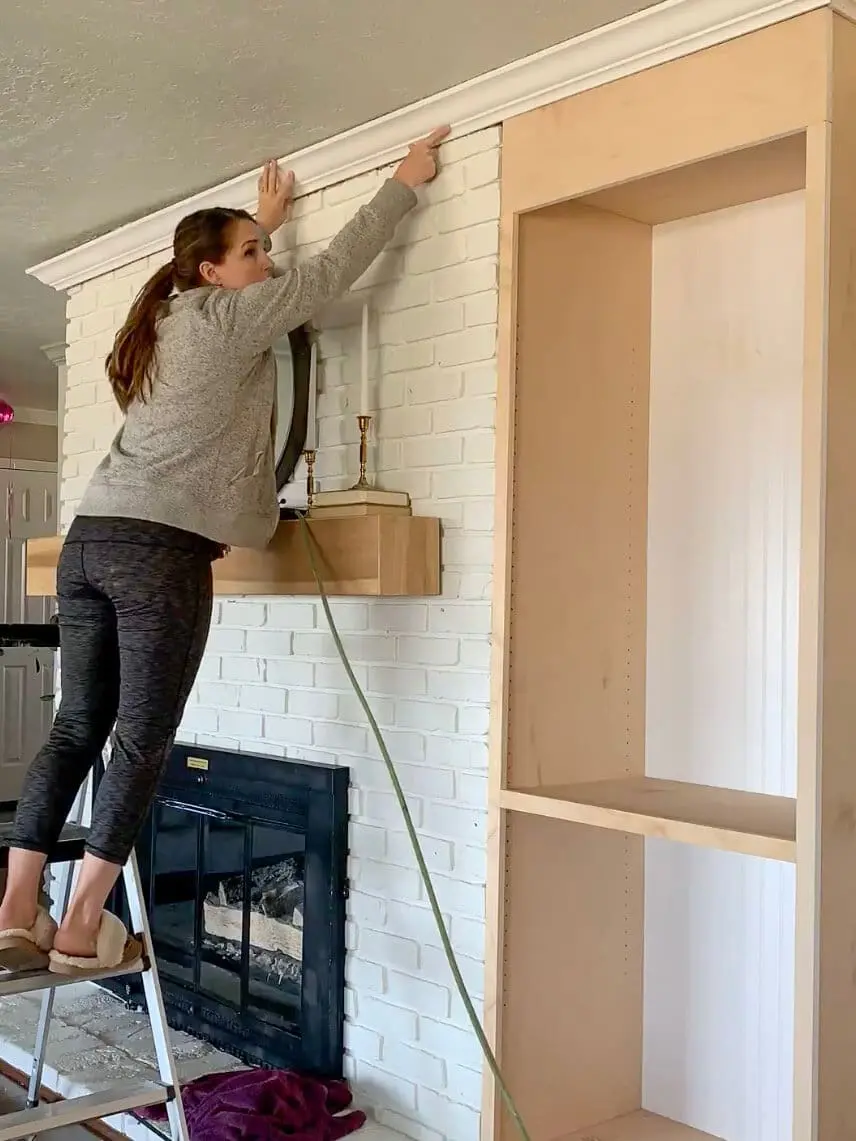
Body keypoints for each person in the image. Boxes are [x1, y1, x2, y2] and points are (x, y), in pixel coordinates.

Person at [0, 125, 450, 975]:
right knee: (141, 738)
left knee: (77, 727)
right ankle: (83, 926)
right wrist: (402, 180)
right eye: (250, 253)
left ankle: (16, 910)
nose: (266, 263)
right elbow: (331, 273)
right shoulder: (233, 317)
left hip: (92, 543)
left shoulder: (170, 320)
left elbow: (269, 275)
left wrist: (262, 223)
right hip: (156, 553)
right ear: (211, 271)